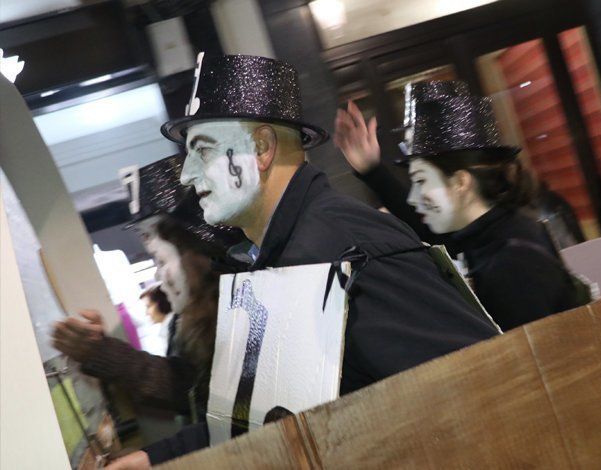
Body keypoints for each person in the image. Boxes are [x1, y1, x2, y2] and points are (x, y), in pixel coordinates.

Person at [109, 54, 498, 468]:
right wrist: (156, 457)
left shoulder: (342, 248)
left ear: (260, 148)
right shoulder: (277, 258)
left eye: (202, 151)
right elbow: (256, 413)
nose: (187, 175)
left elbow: (479, 389)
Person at [335, 80, 584, 331]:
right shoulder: (495, 233)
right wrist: (372, 171)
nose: (413, 197)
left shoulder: (510, 263)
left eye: (421, 180)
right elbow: (429, 231)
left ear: (461, 182)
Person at [52, 156, 240, 424]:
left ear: (198, 258)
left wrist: (101, 352)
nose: (157, 274)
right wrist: (99, 351)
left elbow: (188, 392)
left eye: (161, 261)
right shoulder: (192, 319)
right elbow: (185, 385)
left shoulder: (238, 320)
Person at [138, 286, 173, 356]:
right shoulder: (168, 328)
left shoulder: (173, 329)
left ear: (162, 304)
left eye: (148, 306)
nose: (146, 313)